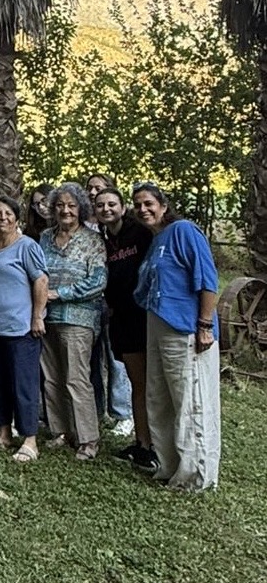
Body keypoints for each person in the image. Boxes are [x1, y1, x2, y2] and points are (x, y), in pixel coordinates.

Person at [132, 182, 220, 491]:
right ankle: (169, 467)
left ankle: (195, 475)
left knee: (189, 401)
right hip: (157, 325)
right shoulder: (156, 240)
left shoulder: (184, 231)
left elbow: (207, 279)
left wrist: (204, 325)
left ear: (163, 205)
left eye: (148, 203)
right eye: (138, 205)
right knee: (160, 399)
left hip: (185, 327)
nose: (143, 209)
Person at [0, 196, 48, 462]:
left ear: (17, 217)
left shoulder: (26, 246)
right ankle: (3, 432)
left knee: (23, 384)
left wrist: (37, 317)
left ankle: (29, 440)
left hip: (21, 329)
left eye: (8, 213)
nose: (2, 218)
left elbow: (41, 280)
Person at [39, 182, 107, 461]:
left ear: (81, 208)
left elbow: (98, 281)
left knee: (76, 379)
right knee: (51, 376)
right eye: (59, 205)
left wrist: (60, 294)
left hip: (79, 318)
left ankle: (88, 438)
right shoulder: (45, 237)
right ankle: (60, 431)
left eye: (71, 205)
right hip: (46, 317)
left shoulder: (92, 240)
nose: (65, 210)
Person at [95, 187, 157, 471]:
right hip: (121, 319)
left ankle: (158, 445)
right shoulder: (103, 240)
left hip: (146, 316)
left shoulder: (141, 233)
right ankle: (141, 443)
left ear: (122, 207)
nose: (106, 209)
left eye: (112, 204)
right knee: (137, 382)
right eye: (100, 205)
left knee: (153, 383)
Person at [84, 173, 133, 436]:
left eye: (99, 189)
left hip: (118, 306)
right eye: (90, 189)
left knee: (116, 360)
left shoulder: (129, 231)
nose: (93, 193)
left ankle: (123, 413)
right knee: (92, 360)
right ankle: (95, 410)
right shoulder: (88, 226)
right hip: (92, 303)